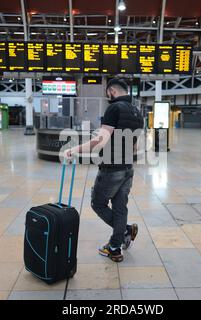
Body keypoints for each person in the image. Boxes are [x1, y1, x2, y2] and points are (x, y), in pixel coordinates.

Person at [64, 78, 144, 262]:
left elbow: (100, 141)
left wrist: (73, 150)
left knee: (98, 203)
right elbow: (133, 147)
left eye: (107, 93)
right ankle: (115, 247)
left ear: (112, 91)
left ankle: (125, 231)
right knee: (120, 207)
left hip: (111, 169)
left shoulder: (114, 108)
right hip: (127, 168)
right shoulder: (137, 112)